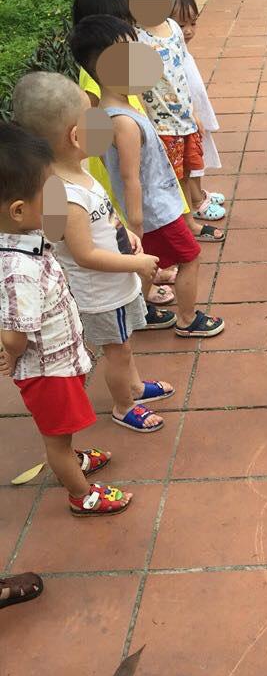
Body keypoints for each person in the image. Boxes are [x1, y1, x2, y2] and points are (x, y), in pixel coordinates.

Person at [13, 72, 175, 434]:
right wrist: (136, 262)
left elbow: (100, 217)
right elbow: (84, 254)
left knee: (125, 342)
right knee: (118, 350)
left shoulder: (77, 172)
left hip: (114, 284)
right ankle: (124, 405)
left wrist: (124, 234)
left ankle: (134, 386)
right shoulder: (65, 195)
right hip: (101, 295)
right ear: (76, 136)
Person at [0, 123, 132, 516]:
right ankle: (81, 494)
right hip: (46, 371)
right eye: (51, 193)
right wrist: (10, 353)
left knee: (63, 428)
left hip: (57, 360)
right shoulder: (18, 268)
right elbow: (15, 334)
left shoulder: (27, 238)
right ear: (19, 210)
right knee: (55, 440)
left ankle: (72, 456)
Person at [69, 14, 225, 339]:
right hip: (155, 213)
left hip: (153, 209)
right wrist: (137, 223)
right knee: (190, 257)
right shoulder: (123, 122)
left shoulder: (121, 110)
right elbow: (130, 178)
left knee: (148, 263)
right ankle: (187, 320)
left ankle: (138, 312)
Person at [72, 0, 181, 318]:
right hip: (116, 165)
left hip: (134, 153)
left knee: (139, 230)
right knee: (131, 229)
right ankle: (140, 290)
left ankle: (147, 274)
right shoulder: (96, 80)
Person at [135, 0, 226, 244]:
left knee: (185, 172)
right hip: (161, 126)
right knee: (169, 179)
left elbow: (181, 75)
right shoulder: (135, 37)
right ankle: (183, 225)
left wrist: (192, 111)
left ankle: (187, 220)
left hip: (184, 120)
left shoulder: (172, 28)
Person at [170, 0, 226, 224]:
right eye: (181, 25)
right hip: (185, 115)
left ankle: (199, 194)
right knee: (190, 160)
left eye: (193, 23)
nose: (189, 31)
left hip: (195, 113)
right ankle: (196, 202)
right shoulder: (168, 50)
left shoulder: (180, 47)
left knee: (198, 156)